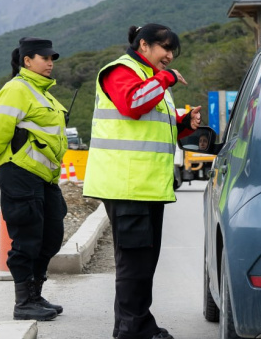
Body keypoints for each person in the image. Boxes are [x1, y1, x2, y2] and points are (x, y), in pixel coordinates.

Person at [83, 24, 202, 339]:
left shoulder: (148, 78)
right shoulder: (121, 71)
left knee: (142, 261)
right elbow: (133, 104)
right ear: (144, 45)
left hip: (143, 186)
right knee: (135, 263)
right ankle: (133, 329)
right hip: (127, 185)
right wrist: (166, 78)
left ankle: (134, 325)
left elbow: (150, 127)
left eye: (172, 50)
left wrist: (182, 123)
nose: (170, 56)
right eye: (165, 48)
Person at [0, 37, 69, 322]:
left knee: (51, 236)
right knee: (27, 238)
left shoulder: (45, 94)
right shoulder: (17, 89)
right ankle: (24, 302)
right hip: (20, 174)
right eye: (45, 58)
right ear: (27, 60)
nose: (50, 63)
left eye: (52, 58)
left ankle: (36, 294)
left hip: (45, 177)